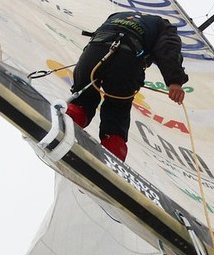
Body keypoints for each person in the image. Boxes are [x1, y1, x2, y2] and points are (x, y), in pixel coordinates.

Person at [66, 11, 188, 161]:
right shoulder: (162, 25)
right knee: (117, 111)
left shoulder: (117, 15)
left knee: (82, 98)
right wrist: (174, 81)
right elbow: (167, 48)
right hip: (126, 62)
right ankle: (112, 156)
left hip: (93, 53)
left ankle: (66, 123)